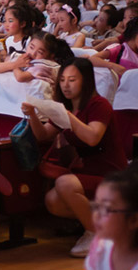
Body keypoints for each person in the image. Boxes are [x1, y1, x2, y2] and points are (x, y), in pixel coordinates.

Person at [21, 58, 127, 257]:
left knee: (64, 184)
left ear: (86, 81)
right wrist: (33, 115)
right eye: (62, 80)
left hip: (111, 174)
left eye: (72, 80)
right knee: (52, 201)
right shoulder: (66, 106)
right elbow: (43, 136)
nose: (66, 85)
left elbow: (92, 138)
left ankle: (96, 234)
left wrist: (69, 117)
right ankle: (109, 221)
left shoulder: (99, 105)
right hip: (86, 172)